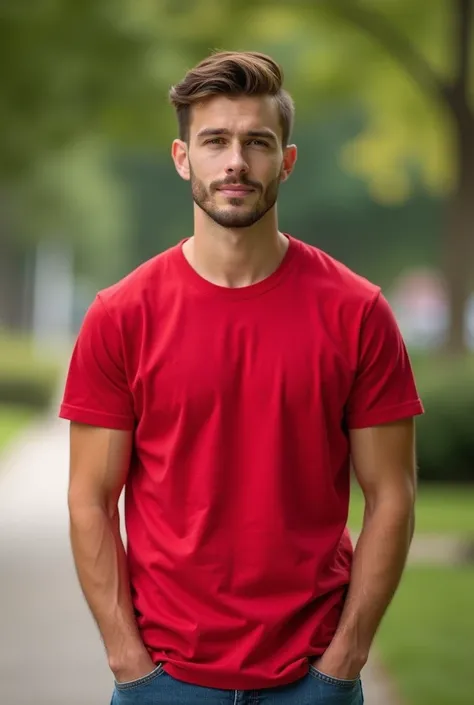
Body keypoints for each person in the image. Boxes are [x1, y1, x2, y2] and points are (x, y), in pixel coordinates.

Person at [60, 51, 424, 704]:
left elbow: (391, 493)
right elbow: (90, 497)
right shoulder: (121, 316)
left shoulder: (358, 312)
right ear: (182, 158)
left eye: (257, 142)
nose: (235, 162)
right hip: (164, 683)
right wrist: (128, 662)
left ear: (285, 161)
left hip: (312, 680)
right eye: (215, 141)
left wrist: (344, 659)